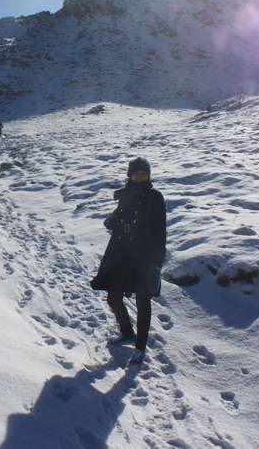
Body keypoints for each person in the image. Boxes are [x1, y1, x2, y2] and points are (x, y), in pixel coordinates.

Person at [90, 157, 166, 366]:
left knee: (143, 302)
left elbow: (160, 231)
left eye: (144, 174)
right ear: (130, 175)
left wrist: (157, 261)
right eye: (137, 173)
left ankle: (140, 348)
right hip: (121, 253)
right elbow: (115, 220)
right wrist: (113, 219)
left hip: (144, 257)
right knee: (113, 298)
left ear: (148, 176)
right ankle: (127, 332)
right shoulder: (125, 195)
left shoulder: (155, 197)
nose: (140, 177)